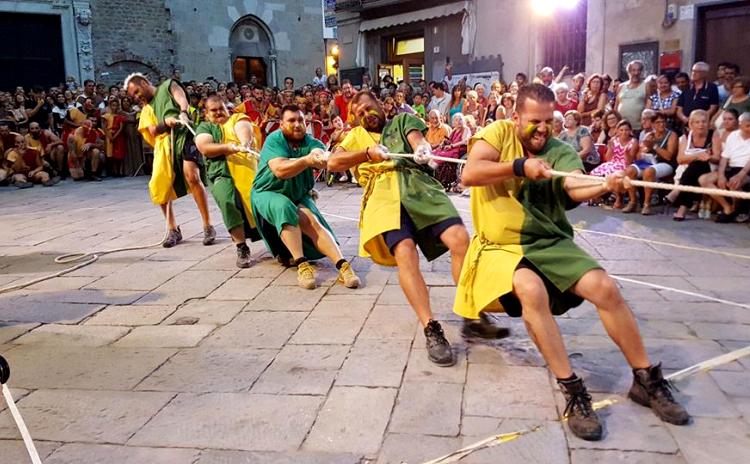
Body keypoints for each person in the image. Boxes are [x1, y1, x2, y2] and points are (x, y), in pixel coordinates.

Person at [455, 83, 689, 442]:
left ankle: (645, 379)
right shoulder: (497, 133)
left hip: (550, 241)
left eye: (549, 121)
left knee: (605, 288)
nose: (542, 128)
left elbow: (573, 189)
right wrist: (520, 166)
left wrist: (604, 185)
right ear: (516, 117)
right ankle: (573, 389)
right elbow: (470, 173)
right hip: (500, 245)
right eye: (534, 121)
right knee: (530, 290)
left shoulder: (560, 150)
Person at [329, 91, 508, 366]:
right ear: (355, 119)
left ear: (380, 104)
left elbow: (418, 139)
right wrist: (366, 153)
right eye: (360, 113)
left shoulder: (401, 121)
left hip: (420, 188)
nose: (366, 114)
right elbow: (333, 162)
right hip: (384, 197)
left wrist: (422, 149)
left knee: (460, 239)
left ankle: (471, 314)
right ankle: (430, 327)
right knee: (405, 252)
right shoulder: (354, 137)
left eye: (369, 107)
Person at [251, 105, 361, 289]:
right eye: (291, 120)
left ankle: (343, 266)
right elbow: (279, 170)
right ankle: (302, 264)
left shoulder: (312, 142)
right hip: (268, 192)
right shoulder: (274, 139)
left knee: (311, 220)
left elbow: (326, 159)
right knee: (284, 208)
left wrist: (363, 155)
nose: (297, 124)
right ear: (281, 124)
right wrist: (306, 160)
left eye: (301, 120)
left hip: (298, 193)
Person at [125, 73, 217, 247]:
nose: (137, 96)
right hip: (165, 144)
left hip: (186, 134)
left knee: (192, 176)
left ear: (144, 82)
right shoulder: (146, 109)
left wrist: (183, 112)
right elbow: (152, 131)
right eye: (134, 95)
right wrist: (165, 123)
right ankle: (173, 228)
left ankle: (208, 225)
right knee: (158, 185)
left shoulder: (168, 85)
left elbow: (180, 97)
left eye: (137, 91)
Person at [195, 95, 262, 267]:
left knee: (260, 203)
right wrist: (227, 148)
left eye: (221, 109)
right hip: (220, 173)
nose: (218, 113)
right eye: (213, 110)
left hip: (246, 170)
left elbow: (244, 129)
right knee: (227, 202)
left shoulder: (236, 119)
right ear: (206, 113)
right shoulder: (205, 127)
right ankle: (241, 247)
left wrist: (245, 142)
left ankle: (278, 243)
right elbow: (204, 147)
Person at [623, 113, 678, 214]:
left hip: (665, 163)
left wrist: (654, 146)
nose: (661, 124)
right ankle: (633, 201)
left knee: (649, 172)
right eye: (658, 122)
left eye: (663, 121)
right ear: (653, 124)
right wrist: (644, 150)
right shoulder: (649, 135)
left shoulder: (672, 135)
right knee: (630, 170)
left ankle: (646, 204)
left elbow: (669, 156)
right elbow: (639, 155)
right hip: (649, 162)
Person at [699, 112, 750, 222]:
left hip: (746, 170)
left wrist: (740, 175)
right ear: (740, 125)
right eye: (747, 126)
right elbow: (724, 157)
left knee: (734, 184)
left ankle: (738, 210)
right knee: (704, 179)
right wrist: (721, 175)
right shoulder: (733, 136)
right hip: (731, 167)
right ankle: (728, 208)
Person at [671, 110, 714, 221]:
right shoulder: (685, 137)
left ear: (708, 123)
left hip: (711, 167)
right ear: (691, 124)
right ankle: (684, 204)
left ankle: (679, 197)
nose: (701, 125)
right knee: (695, 166)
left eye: (704, 122)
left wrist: (708, 157)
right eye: (697, 122)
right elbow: (680, 159)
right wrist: (698, 155)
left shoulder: (714, 135)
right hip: (691, 169)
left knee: (696, 166)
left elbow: (718, 157)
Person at [591, 120, 639, 209]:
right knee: (596, 172)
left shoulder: (634, 141)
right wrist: (610, 148)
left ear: (630, 131)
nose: (624, 132)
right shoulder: (613, 140)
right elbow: (608, 159)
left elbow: (629, 161)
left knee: (614, 174)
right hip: (613, 163)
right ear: (617, 131)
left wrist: (626, 153)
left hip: (626, 164)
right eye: (621, 130)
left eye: (626, 130)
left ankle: (619, 198)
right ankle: (596, 195)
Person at [433, 112, 472, 189]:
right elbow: (449, 140)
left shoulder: (466, 129)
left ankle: (433, 169)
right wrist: (444, 143)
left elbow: (465, 141)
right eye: (456, 120)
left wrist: (451, 145)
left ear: (463, 121)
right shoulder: (454, 130)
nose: (459, 121)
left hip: (459, 150)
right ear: (454, 122)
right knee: (435, 152)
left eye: (460, 119)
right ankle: (434, 173)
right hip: (451, 149)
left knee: (440, 155)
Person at [676, 62, 720, 127]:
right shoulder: (687, 87)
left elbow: (713, 108)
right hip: (686, 124)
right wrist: (684, 119)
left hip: (702, 124)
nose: (693, 73)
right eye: (693, 71)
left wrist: (699, 119)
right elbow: (679, 109)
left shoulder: (712, 87)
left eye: (697, 71)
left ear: (704, 73)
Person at [615, 60, 647, 132]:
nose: (636, 73)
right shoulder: (621, 86)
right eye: (633, 70)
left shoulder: (646, 85)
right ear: (629, 72)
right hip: (622, 128)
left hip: (639, 128)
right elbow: (616, 106)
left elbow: (648, 106)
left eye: (639, 70)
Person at [103, 98, 127, 177]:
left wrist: (115, 136)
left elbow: (121, 127)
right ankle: (112, 171)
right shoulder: (106, 116)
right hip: (109, 136)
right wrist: (110, 136)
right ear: (110, 106)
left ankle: (119, 171)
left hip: (118, 136)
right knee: (110, 154)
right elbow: (105, 127)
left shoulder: (120, 116)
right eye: (113, 105)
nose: (115, 107)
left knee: (119, 154)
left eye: (116, 105)